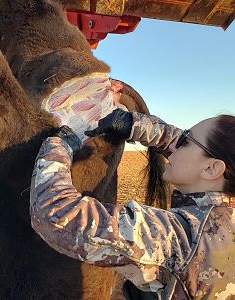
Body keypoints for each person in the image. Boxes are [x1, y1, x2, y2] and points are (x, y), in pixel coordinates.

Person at [30, 108, 235, 299]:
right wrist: (134, 124)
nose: (173, 145)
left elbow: (55, 214)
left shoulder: (180, 238)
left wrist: (59, 145)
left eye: (185, 141)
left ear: (211, 169)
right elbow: (184, 143)